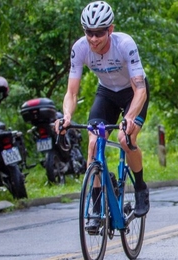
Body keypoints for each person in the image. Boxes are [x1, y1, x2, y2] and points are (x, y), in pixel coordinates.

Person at [56, 1, 150, 228]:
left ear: (110, 29)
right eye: (89, 32)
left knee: (125, 140)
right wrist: (67, 115)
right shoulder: (80, 49)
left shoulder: (125, 44)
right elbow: (71, 91)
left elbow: (141, 90)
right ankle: (96, 204)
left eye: (99, 33)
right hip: (106, 93)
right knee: (93, 143)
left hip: (132, 93)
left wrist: (128, 119)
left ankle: (139, 187)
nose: (94, 38)